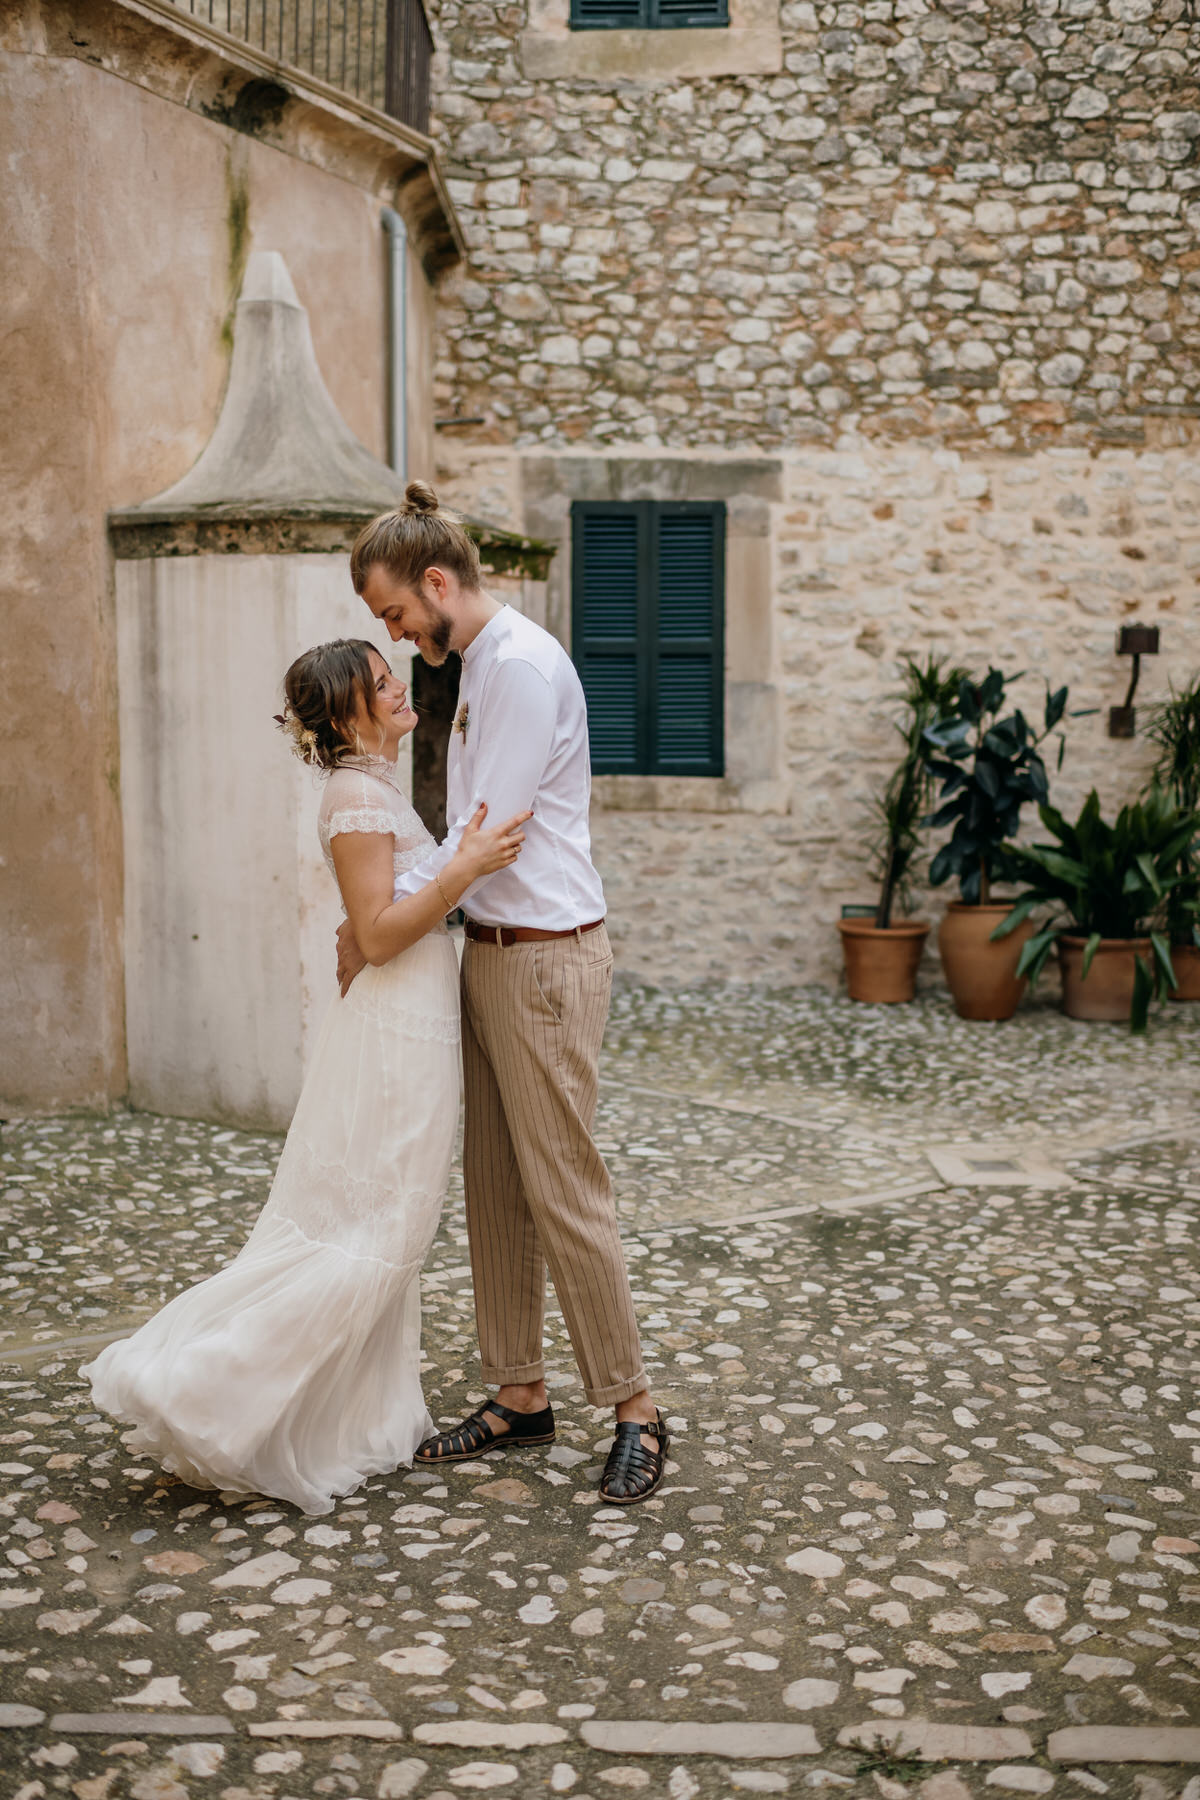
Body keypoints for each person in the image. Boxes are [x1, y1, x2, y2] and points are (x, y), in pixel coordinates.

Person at [84, 639, 528, 1516]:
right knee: (378, 1229)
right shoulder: (358, 796)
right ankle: (213, 1391)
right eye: (382, 682)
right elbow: (380, 930)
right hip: (396, 1033)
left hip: (410, 1020)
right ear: (349, 712)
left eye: (394, 675)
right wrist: (466, 870)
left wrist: (446, 873)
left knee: (381, 1228)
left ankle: (344, 1418)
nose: (402, 688)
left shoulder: (375, 790)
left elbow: (369, 925)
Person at [338, 480, 669, 1505]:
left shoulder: (519, 667)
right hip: (489, 947)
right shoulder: (477, 661)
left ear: (438, 583)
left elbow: (486, 833)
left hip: (544, 957)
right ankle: (518, 1393)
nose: (393, 635)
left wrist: (385, 912)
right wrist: (387, 909)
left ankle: (637, 1409)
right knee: (493, 1183)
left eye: (395, 613)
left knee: (563, 1186)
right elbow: (462, 846)